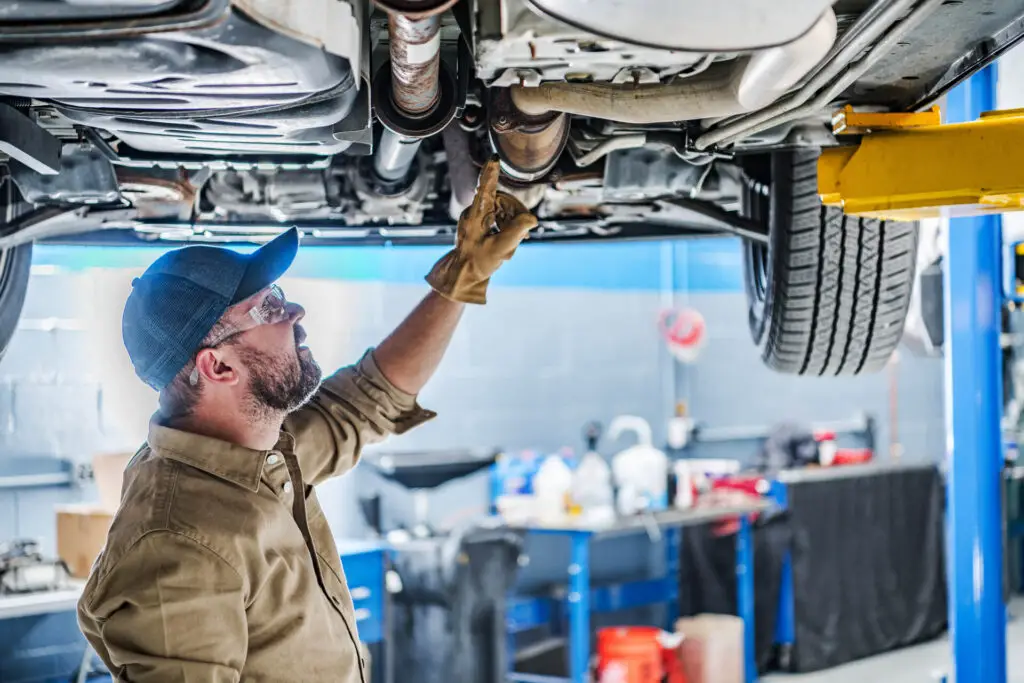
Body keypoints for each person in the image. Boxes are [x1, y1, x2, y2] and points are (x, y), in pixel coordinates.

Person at [77, 159, 536, 682]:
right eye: (267, 308)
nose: (294, 312)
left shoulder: (262, 449)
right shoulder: (177, 543)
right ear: (218, 365)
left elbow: (367, 399)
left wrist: (461, 277)